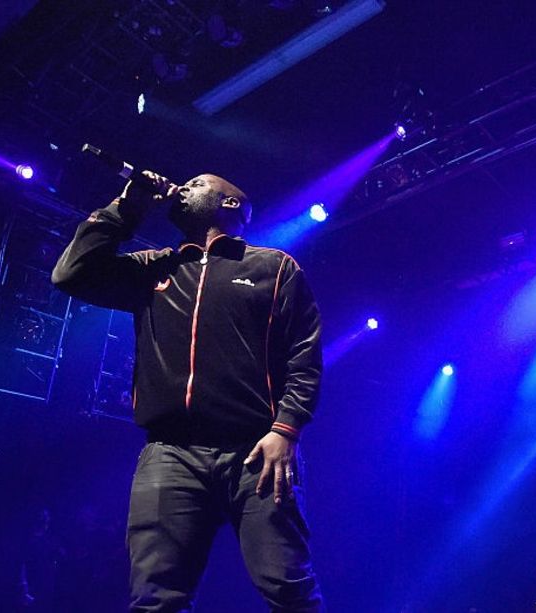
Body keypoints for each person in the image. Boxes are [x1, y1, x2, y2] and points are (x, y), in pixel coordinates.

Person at [52, 170, 324, 612]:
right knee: (156, 597)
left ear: (230, 202)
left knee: (287, 587)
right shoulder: (155, 267)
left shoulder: (273, 267)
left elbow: (304, 355)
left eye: (197, 183)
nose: (183, 187)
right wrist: (127, 208)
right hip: (170, 452)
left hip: (256, 450)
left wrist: (286, 430)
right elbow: (72, 274)